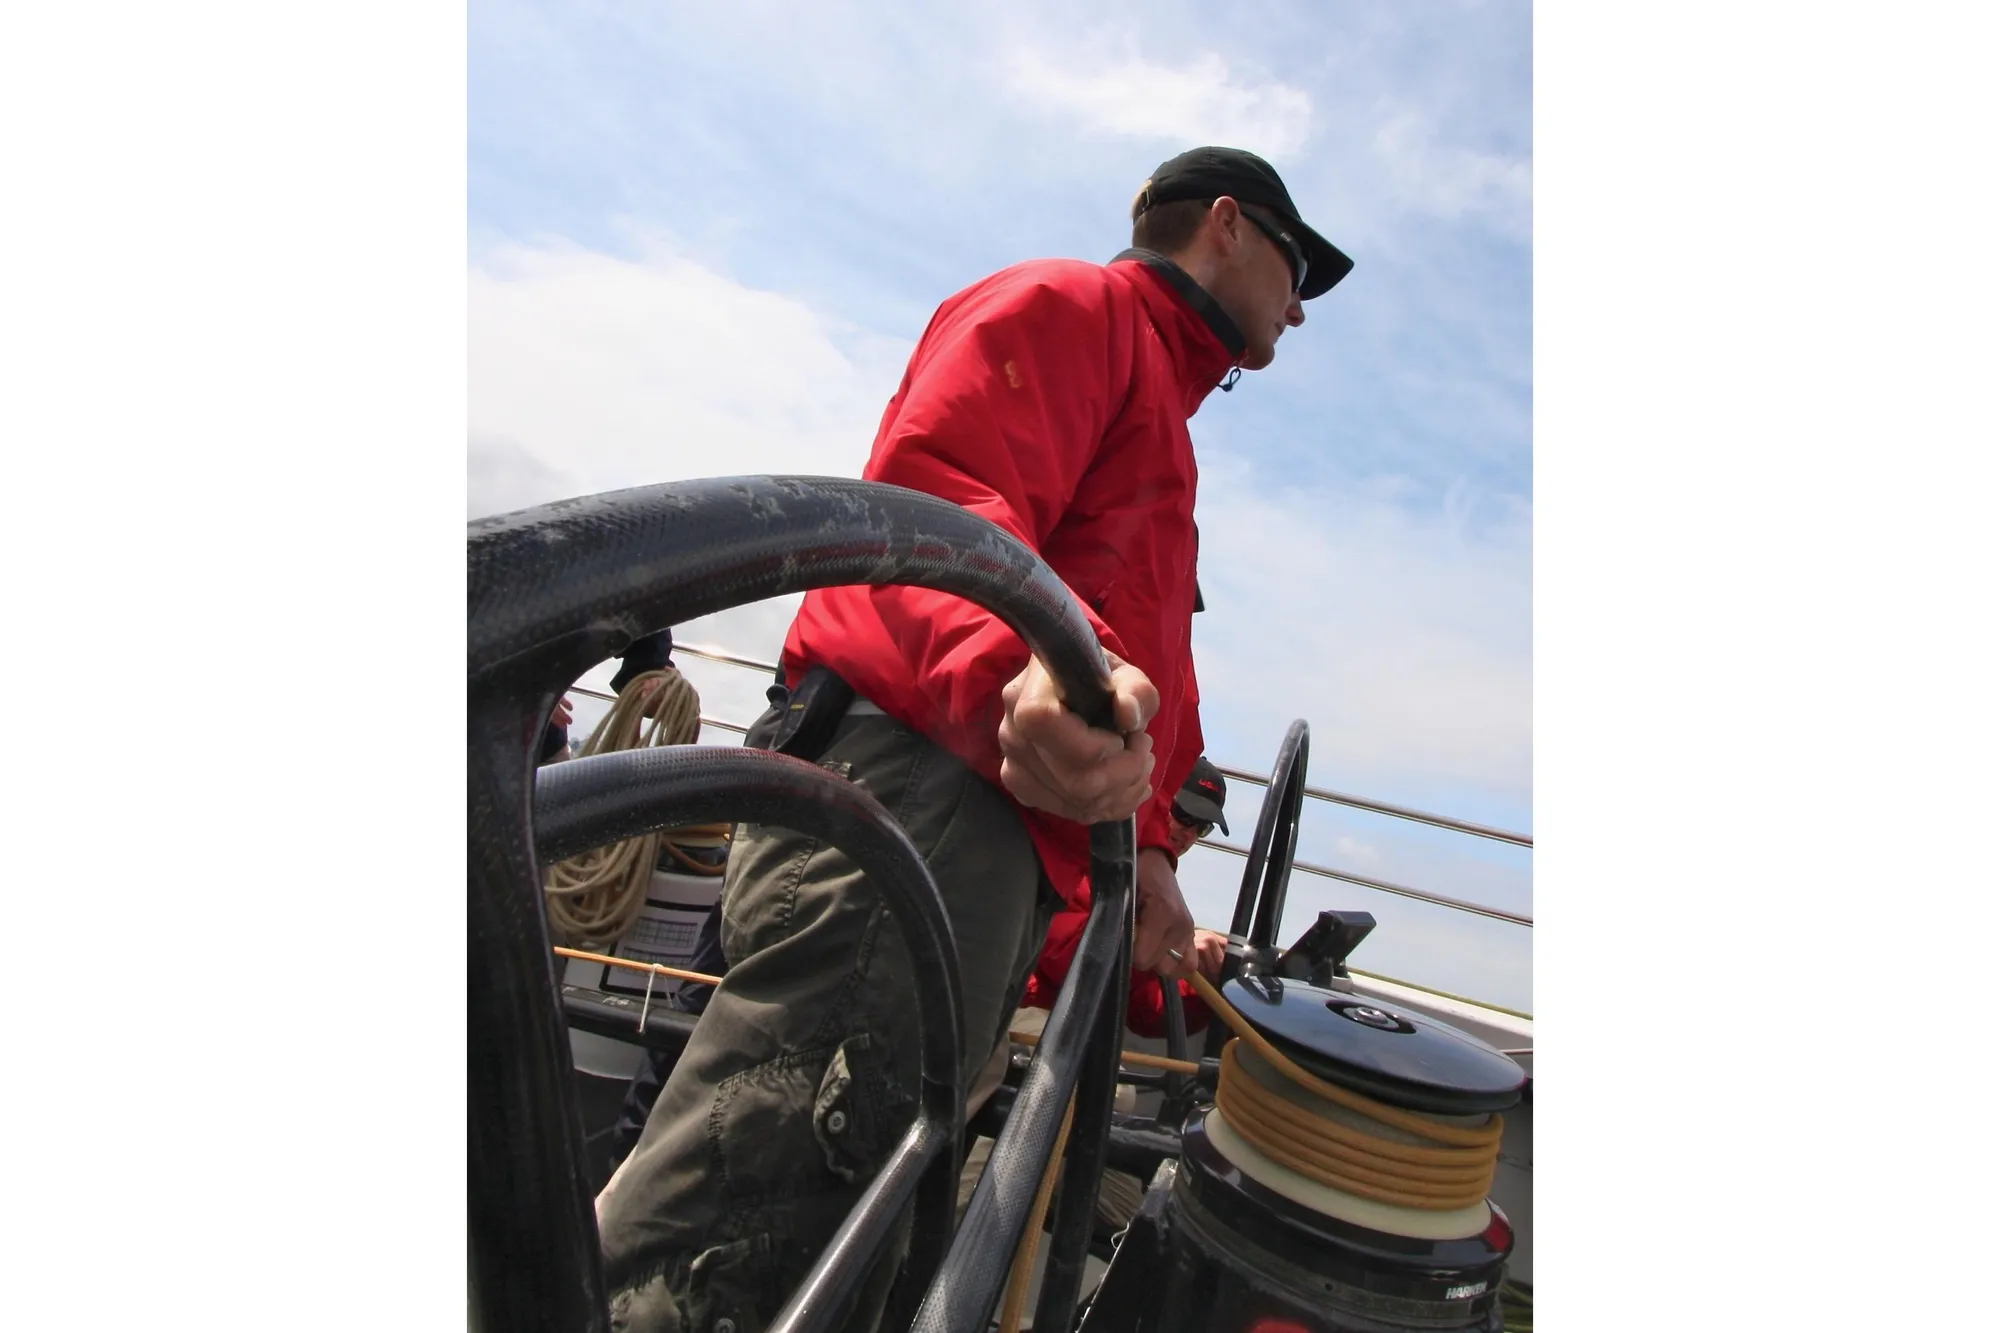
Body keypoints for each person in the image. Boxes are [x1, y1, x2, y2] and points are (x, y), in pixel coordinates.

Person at [595, 146, 1353, 1333]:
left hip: (987, 846)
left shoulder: (1157, 424)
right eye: (1296, 266)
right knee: (745, 1243)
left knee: (856, 1243)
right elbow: (942, 508)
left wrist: (1154, 861)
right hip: (916, 803)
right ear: (1224, 223)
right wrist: (1023, 671)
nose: (1299, 307)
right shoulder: (1074, 306)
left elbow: (1138, 675)